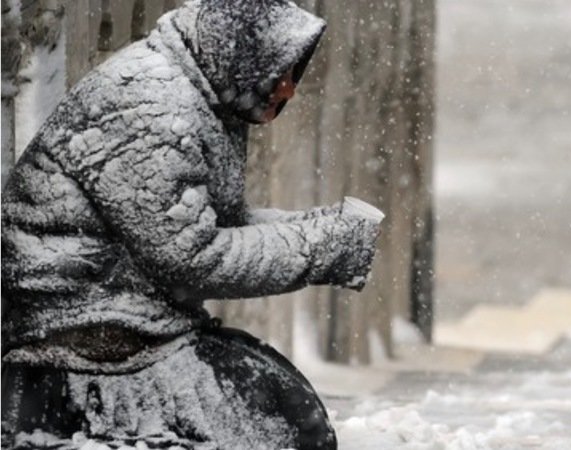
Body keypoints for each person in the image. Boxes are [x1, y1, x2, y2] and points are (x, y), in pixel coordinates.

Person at [1, 1, 380, 448]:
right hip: (81, 351)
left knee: (286, 409)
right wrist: (319, 246)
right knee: (276, 427)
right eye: (280, 72)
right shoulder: (151, 104)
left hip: (133, 330)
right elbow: (191, 258)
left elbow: (215, 225)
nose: (288, 89)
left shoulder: (201, 94)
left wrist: (324, 230)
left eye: (294, 73)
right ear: (240, 54)